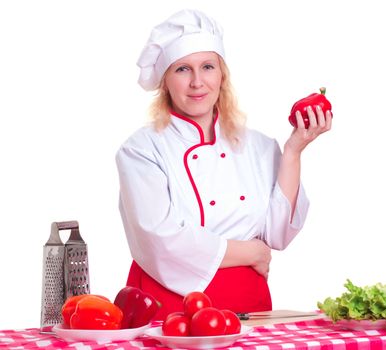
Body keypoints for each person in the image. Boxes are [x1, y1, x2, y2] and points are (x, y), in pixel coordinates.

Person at [115, 9, 332, 320]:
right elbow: (160, 240)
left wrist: (294, 151)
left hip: (248, 302)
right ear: (165, 81)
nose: (197, 82)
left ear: (222, 75)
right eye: (182, 69)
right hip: (168, 307)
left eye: (207, 67)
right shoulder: (142, 149)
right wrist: (250, 252)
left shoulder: (257, 146)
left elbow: (278, 234)